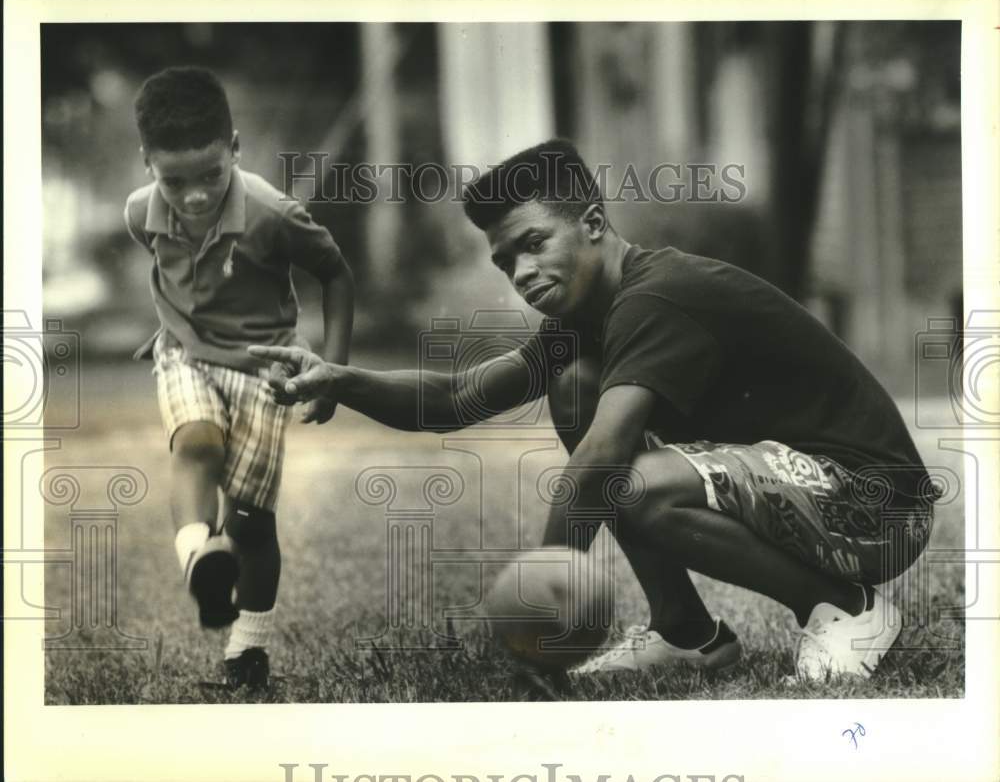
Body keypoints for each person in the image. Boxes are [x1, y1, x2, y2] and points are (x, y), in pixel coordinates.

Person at [248, 139, 936, 690]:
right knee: (575, 388)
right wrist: (342, 379)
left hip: (877, 504)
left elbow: (601, 460)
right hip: (804, 484)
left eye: (533, 242)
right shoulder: (585, 318)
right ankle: (685, 634)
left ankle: (848, 608)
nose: (519, 272)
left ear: (595, 225)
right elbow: (460, 398)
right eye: (504, 261)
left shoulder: (656, 296)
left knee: (632, 484)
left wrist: (544, 603)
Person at [124, 66, 354, 690]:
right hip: (185, 355)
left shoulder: (273, 214)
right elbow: (167, 268)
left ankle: (246, 651)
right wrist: (176, 324)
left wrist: (330, 370)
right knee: (195, 443)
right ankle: (201, 553)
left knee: (251, 520)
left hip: (264, 365)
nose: (194, 196)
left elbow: (335, 274)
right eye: (175, 181)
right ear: (148, 164)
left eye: (210, 175)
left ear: (235, 148)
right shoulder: (142, 211)